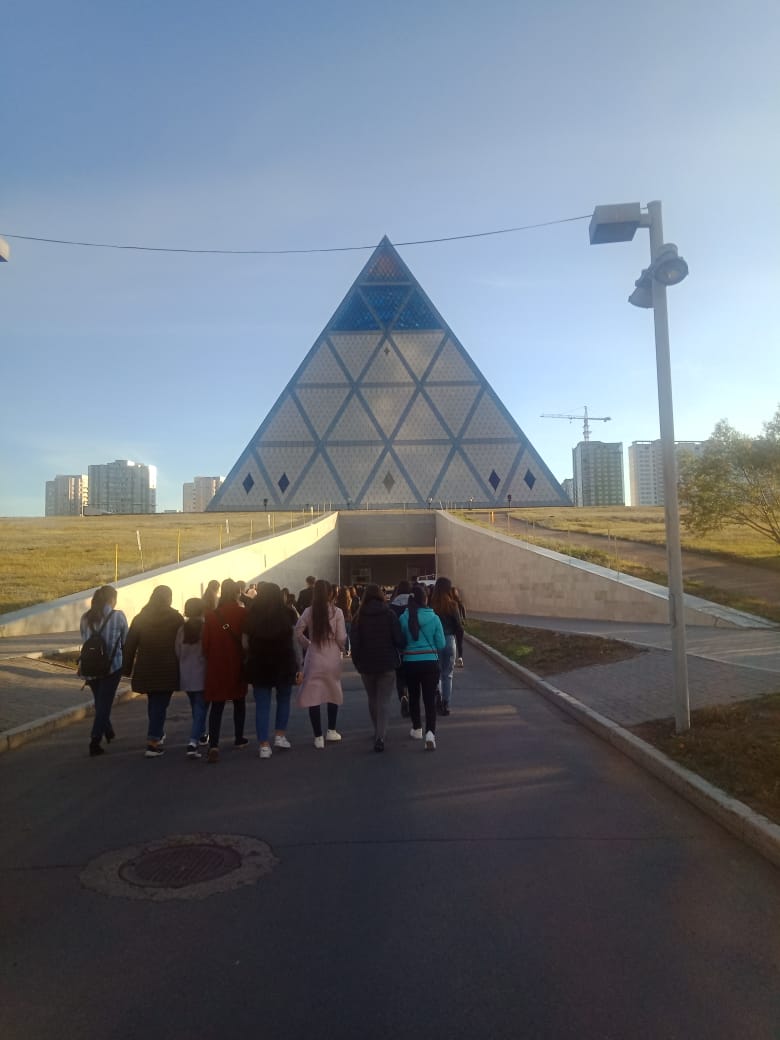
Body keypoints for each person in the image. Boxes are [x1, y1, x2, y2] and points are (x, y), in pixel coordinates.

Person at [123, 585, 184, 758]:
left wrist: (126, 669)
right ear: (168, 598)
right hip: (168, 668)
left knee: (154, 702)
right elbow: (183, 642)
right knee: (160, 704)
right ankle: (153, 741)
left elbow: (129, 645)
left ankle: (157, 732)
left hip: (146, 667)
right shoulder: (175, 618)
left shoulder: (140, 618)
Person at [243, 582, 302, 758]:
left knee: (262, 704)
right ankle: (280, 736)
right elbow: (295, 642)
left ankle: (263, 745)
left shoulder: (251, 614)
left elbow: (245, 643)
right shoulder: (288, 613)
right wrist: (299, 665)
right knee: (283, 699)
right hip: (284, 663)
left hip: (259, 663)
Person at [350, 584, 405, 752]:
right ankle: (381, 735)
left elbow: (355, 643)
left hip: (366, 664)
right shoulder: (389, 614)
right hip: (387, 663)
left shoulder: (358, 617)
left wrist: (357, 662)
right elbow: (398, 639)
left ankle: (377, 730)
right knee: (384, 701)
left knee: (372, 698)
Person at [202, 578, 249, 763]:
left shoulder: (211, 615)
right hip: (236, 663)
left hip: (216, 664)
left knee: (217, 705)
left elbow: (205, 645)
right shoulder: (242, 613)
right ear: (237, 592)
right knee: (239, 702)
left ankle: (214, 744)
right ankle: (239, 738)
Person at [295, 579, 346, 748]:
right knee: (333, 690)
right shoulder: (337, 612)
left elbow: (298, 631)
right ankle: (331, 730)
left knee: (313, 695)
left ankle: (318, 737)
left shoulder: (308, 611)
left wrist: (307, 644)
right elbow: (341, 637)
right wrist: (340, 647)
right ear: (330, 593)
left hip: (314, 654)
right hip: (332, 654)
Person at [79, 585, 128, 757]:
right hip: (111, 667)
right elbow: (125, 641)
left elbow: (84, 639)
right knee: (104, 705)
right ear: (112, 599)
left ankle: (108, 731)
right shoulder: (118, 616)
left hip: (89, 667)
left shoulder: (85, 617)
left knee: (100, 702)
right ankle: (95, 740)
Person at [398, 584, 445, 751]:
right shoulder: (434, 618)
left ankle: (417, 728)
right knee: (429, 700)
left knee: (414, 696)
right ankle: (430, 734)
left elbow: (401, 641)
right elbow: (441, 643)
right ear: (425, 599)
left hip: (410, 663)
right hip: (430, 663)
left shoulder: (404, 618)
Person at [175, 597, 208, 758]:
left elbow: (177, 651)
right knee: (201, 708)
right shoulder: (205, 628)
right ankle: (193, 741)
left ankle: (202, 734)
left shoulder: (182, 629)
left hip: (185, 675)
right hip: (202, 674)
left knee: (195, 706)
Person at [430, 577, 464, 716]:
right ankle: (446, 703)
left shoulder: (431, 605)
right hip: (449, 640)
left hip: (435, 642)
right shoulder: (452, 605)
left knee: (435, 673)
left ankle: (437, 695)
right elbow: (459, 627)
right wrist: (460, 650)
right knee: (447, 674)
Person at [390, 580, 413, 717]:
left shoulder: (392, 606)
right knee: (413, 675)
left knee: (400, 675)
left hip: (398, 647)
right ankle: (412, 698)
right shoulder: (414, 604)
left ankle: (403, 695)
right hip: (413, 645)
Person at [335, 585, 353, 657]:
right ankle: (348, 650)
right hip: (349, 618)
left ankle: (344, 650)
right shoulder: (349, 600)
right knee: (348, 635)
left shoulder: (338, 601)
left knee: (343, 635)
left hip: (342, 619)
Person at [452, 587, 467, 667]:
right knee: (459, 643)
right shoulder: (460, 602)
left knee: (452, 642)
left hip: (452, 625)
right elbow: (464, 610)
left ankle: (453, 659)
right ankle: (460, 658)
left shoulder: (450, 603)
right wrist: (463, 619)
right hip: (460, 625)